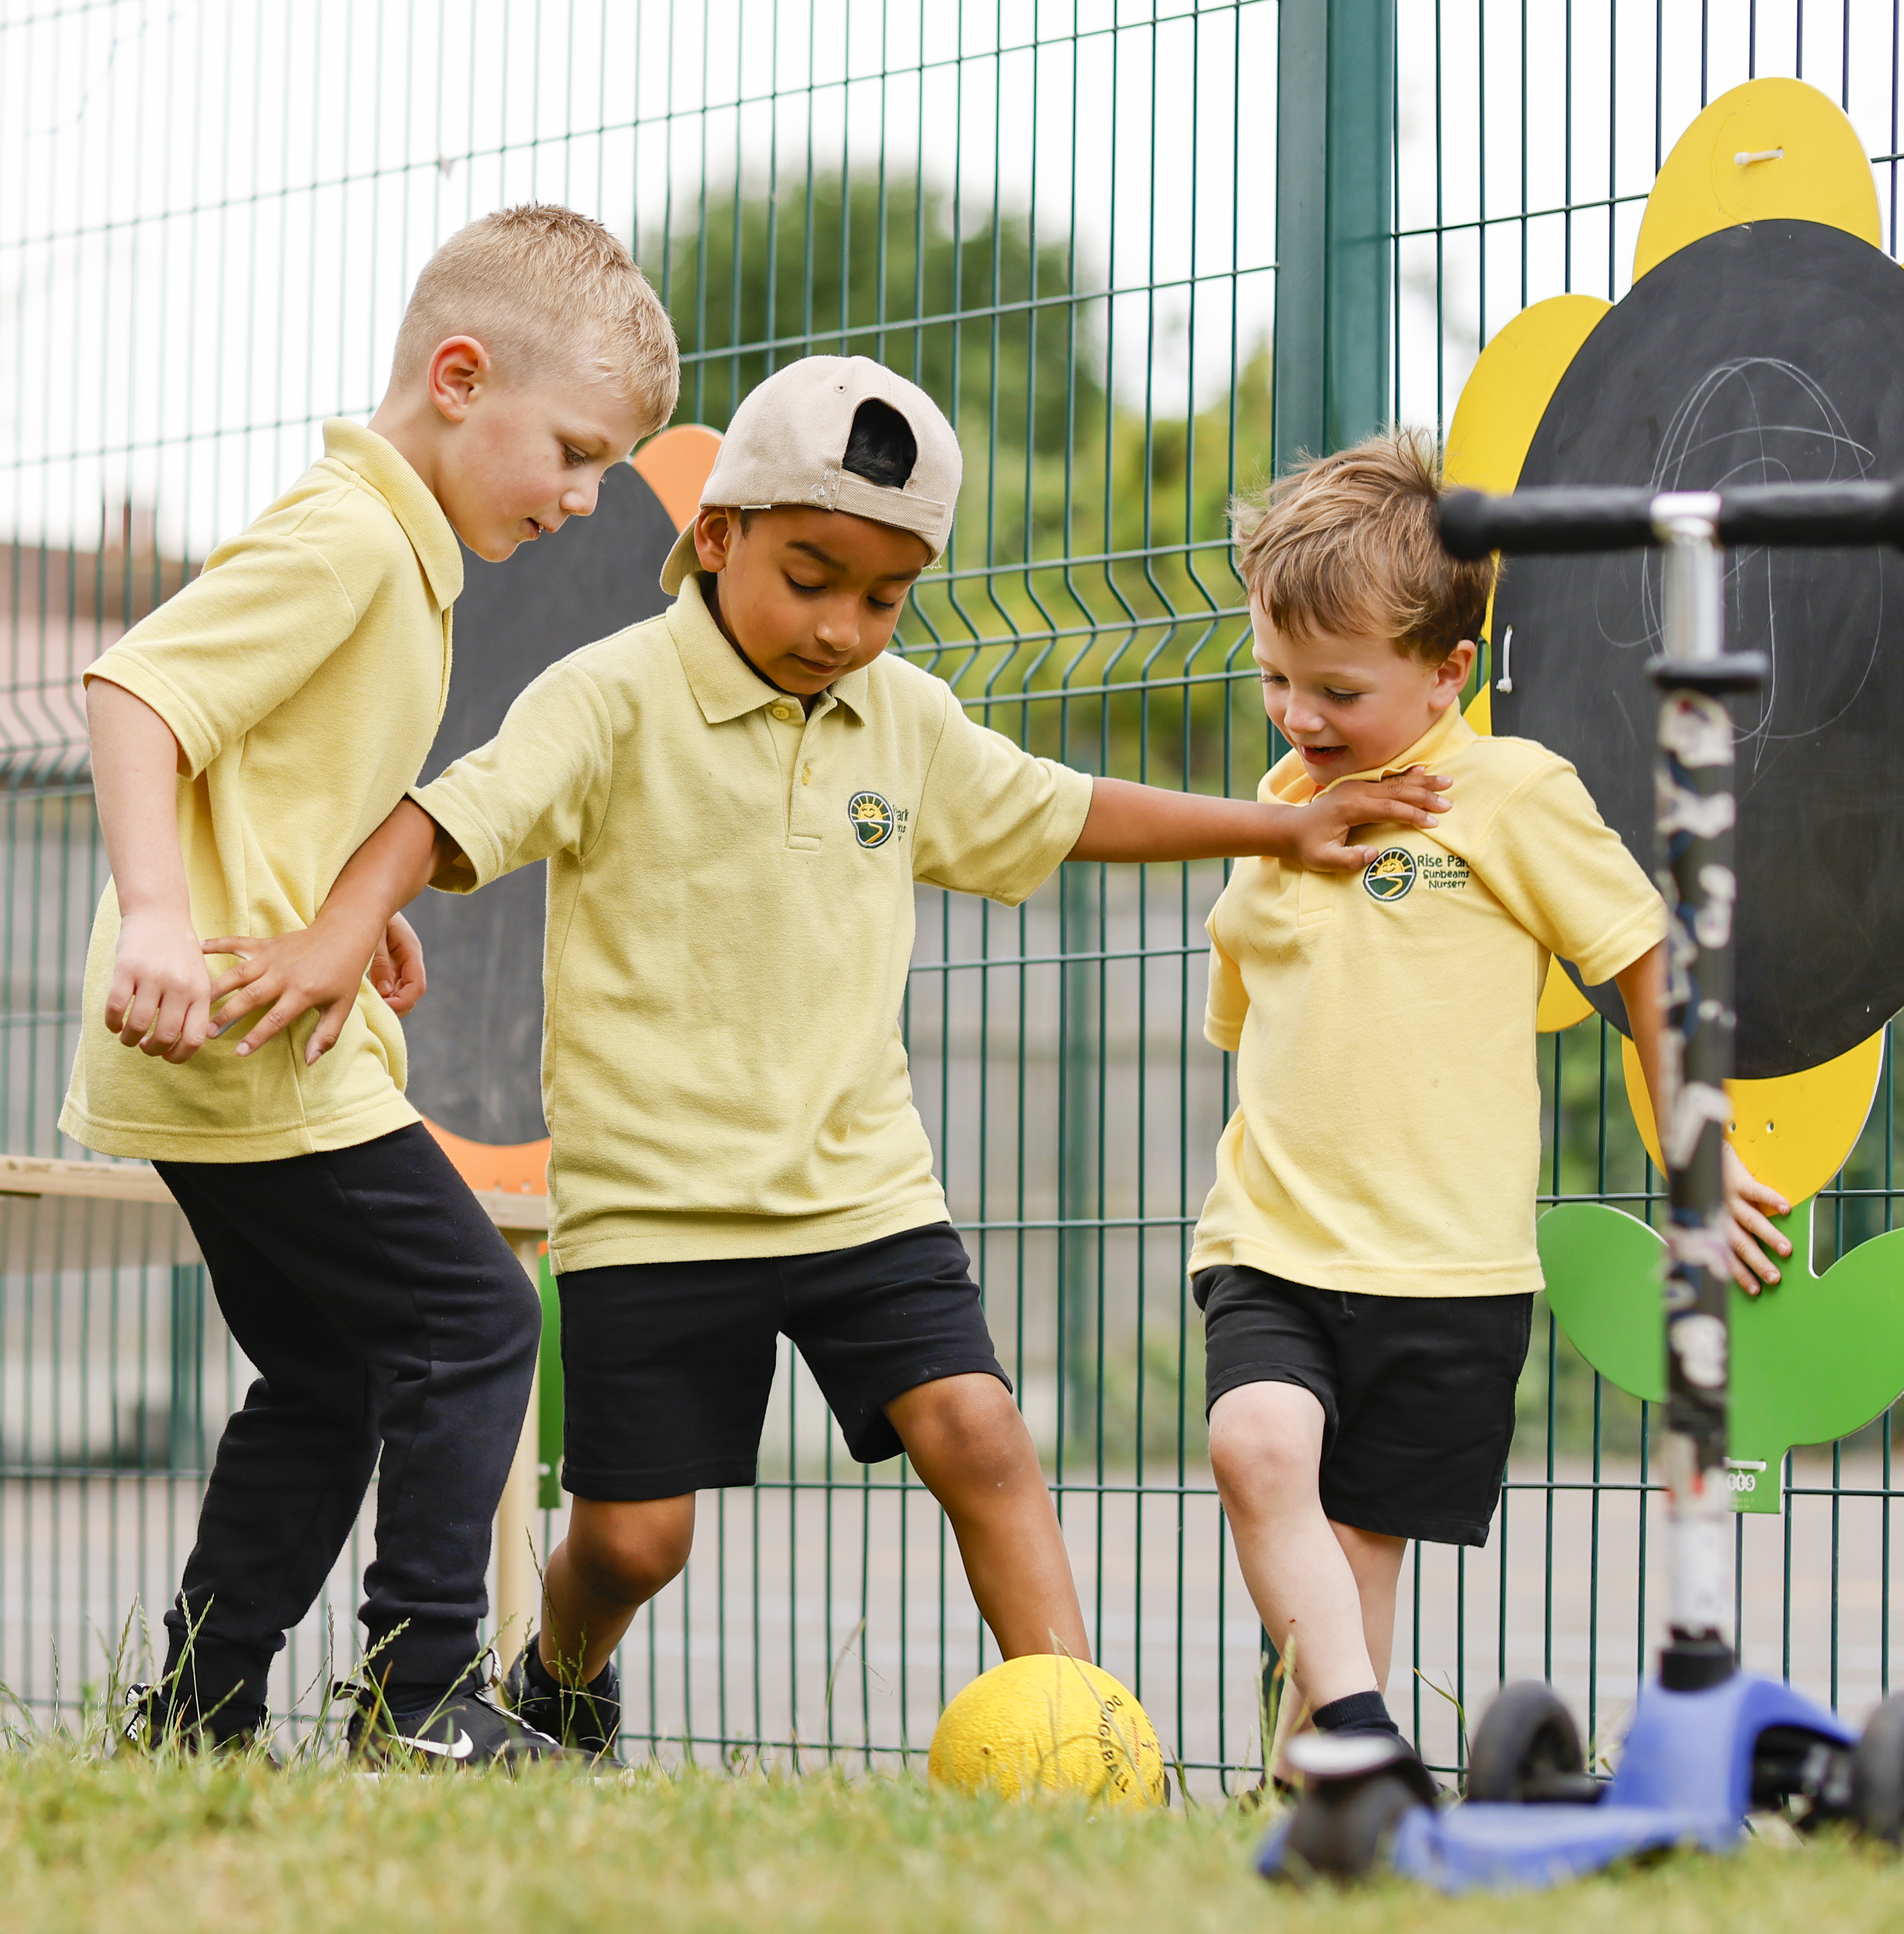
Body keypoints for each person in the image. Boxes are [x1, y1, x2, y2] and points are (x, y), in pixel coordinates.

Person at [194, 355, 1449, 1759]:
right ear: (715, 538)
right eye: (812, 576)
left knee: (981, 1432)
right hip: (657, 1203)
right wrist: (332, 938)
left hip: (863, 1191)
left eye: (882, 596)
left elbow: (1060, 805)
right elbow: (442, 816)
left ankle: (1092, 1749)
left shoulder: (901, 720)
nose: (845, 626)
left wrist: (1275, 827)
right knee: (634, 1541)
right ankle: (554, 1668)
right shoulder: (612, 695)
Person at [67, 205, 678, 1764]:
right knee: (478, 1318)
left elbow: (274, 768)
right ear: (461, 379)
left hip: (244, 1025)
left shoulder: (411, 557)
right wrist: (155, 912)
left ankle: (195, 1711)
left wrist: (347, 898)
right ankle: (417, 1699)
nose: (587, 497)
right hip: (232, 1030)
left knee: (333, 1371)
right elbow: (138, 690)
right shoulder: (348, 533)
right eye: (576, 450)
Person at [1186, 428, 1793, 1762]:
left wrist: (1688, 1141)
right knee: (1257, 1447)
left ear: (1448, 670)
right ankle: (1361, 1725)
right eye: (1275, 676)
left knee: (1361, 1548)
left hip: (1450, 1266)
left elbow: (1640, 955)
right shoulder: (1275, 819)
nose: (1296, 715)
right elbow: (1247, 1019)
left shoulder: (1514, 798)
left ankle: (1332, 1779)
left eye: (1337, 688)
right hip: (1274, 1241)